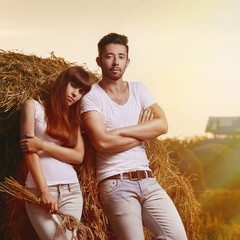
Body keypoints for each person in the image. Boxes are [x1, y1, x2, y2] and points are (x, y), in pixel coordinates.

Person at [80, 33, 188, 240]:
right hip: (115, 183)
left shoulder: (139, 89)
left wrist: (119, 131)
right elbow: (101, 142)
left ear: (128, 62)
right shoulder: (92, 97)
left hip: (148, 180)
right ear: (99, 61)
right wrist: (142, 133)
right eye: (109, 56)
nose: (115, 62)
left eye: (121, 57)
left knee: (177, 237)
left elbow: (162, 124)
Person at [19, 66, 92, 240]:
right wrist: (44, 191)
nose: (75, 94)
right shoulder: (32, 107)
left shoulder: (72, 118)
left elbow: (78, 156)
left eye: (81, 91)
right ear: (62, 82)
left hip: (71, 190)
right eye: (73, 86)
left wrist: (43, 145)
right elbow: (29, 151)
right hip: (38, 191)